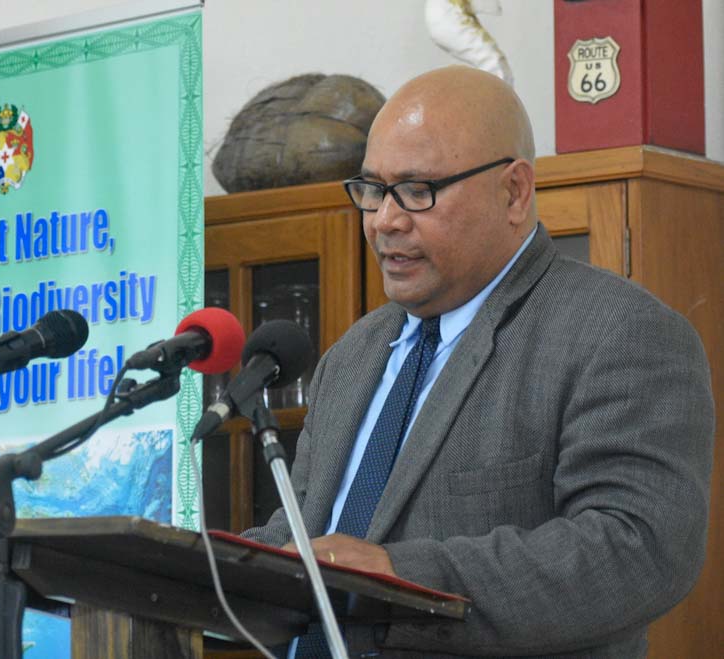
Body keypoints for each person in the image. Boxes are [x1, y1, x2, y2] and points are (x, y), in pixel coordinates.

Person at [242, 66, 714, 658]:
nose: (385, 219)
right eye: (372, 189)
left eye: (418, 190)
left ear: (514, 192)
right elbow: (307, 538)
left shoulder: (618, 334)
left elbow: (638, 551)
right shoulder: (354, 356)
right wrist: (200, 566)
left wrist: (398, 574)